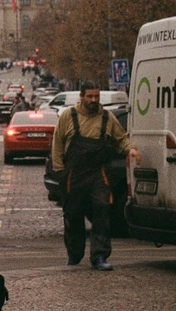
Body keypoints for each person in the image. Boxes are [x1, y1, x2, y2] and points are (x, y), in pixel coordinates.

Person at [51, 82, 141, 271]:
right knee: (73, 214)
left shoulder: (107, 118)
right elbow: (57, 144)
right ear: (82, 96)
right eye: (89, 96)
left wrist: (131, 149)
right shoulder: (68, 116)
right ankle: (74, 253)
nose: (93, 100)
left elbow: (120, 139)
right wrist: (59, 172)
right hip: (74, 174)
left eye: (96, 97)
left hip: (97, 173)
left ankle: (100, 255)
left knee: (102, 209)